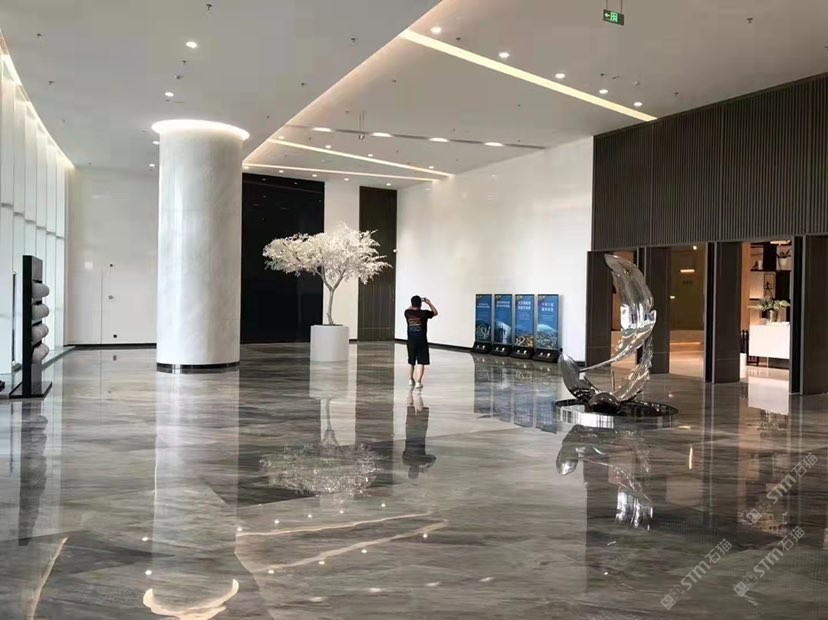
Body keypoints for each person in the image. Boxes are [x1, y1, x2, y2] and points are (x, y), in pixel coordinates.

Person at [405, 295, 438, 389]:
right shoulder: (424, 313)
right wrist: (429, 303)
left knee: (411, 361)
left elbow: (409, 308)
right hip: (422, 341)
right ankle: (418, 382)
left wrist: (414, 304)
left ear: (412, 303)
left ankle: (410, 380)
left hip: (411, 341)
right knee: (421, 362)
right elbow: (435, 312)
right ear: (420, 304)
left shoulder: (407, 313)